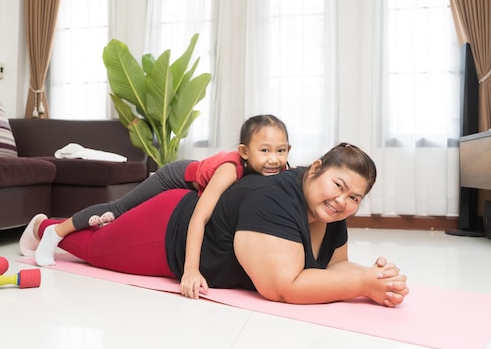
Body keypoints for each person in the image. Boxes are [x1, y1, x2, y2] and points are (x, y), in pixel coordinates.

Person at [21, 142, 409, 306]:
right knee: (94, 245)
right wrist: (362, 285)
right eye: (339, 187)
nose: (343, 201)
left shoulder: (330, 210)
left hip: (183, 224)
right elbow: (282, 287)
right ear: (317, 169)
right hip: (167, 228)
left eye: (355, 198)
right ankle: (44, 228)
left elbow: (334, 265)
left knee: (100, 237)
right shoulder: (274, 198)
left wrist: (377, 280)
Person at [21, 114, 291, 294]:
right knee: (116, 211)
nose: (274, 160)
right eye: (265, 151)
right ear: (245, 152)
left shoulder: (279, 170)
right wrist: (191, 269)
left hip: (192, 185)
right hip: (176, 178)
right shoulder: (230, 170)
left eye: (281, 151)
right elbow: (200, 217)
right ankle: (54, 232)